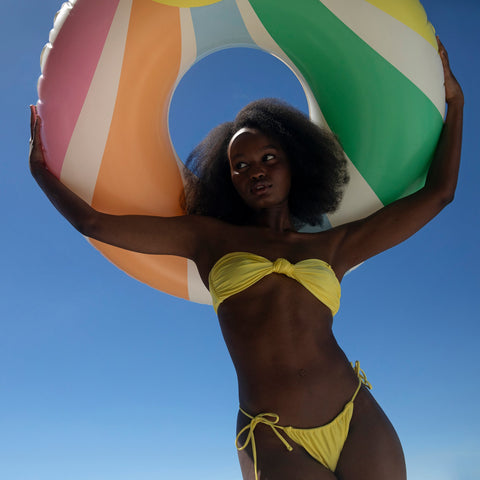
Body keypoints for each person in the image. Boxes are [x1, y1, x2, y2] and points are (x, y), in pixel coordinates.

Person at [29, 38, 463, 480]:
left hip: (356, 417)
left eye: (269, 158)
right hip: (276, 437)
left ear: (295, 165)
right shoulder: (207, 239)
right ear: (227, 178)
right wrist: (41, 173)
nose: (256, 170)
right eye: (241, 165)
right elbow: (94, 224)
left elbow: (440, 194)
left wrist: (457, 101)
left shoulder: (332, 247)